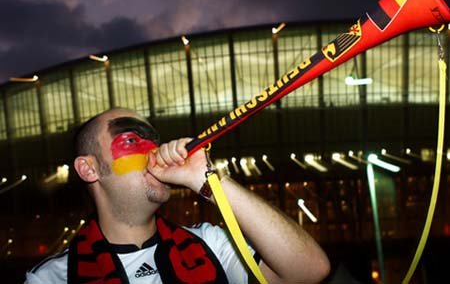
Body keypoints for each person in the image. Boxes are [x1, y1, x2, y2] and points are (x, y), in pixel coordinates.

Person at [26, 108, 330, 283]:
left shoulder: (212, 245)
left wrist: (208, 179)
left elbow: (310, 270)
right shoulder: (52, 279)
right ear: (89, 169)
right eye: (131, 139)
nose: (153, 151)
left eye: (153, 141)